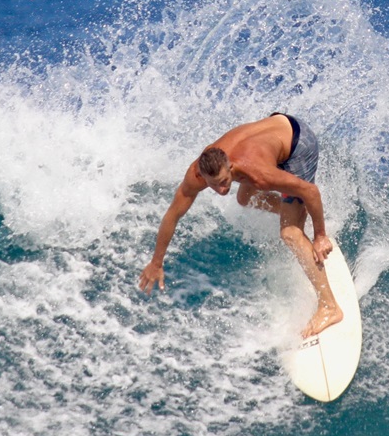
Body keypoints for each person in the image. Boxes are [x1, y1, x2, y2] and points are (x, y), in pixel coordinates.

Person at [138, 113, 344, 337]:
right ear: (202, 176)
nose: (222, 190)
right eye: (214, 186)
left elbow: (310, 190)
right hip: (274, 129)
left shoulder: (259, 175)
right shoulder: (195, 174)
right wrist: (156, 262)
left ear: (231, 166)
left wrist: (320, 235)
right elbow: (172, 216)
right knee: (245, 198)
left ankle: (329, 307)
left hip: (298, 144)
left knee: (289, 234)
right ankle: (294, 211)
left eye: (225, 182)